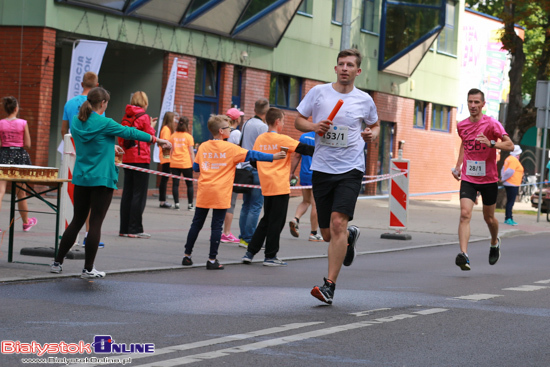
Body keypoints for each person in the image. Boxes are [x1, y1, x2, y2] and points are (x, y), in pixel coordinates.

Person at [50, 87, 171, 278]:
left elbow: (91, 144)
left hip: (81, 177)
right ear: (104, 103)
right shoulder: (105, 122)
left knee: (76, 221)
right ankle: (88, 269)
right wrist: (158, 140)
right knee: (96, 223)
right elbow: (130, 133)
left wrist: (109, 146)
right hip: (102, 178)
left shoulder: (77, 120)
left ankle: (57, 262)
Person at [295, 48, 380, 305]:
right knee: (328, 234)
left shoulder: (364, 99)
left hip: (351, 169)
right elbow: (298, 120)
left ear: (358, 70)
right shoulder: (319, 93)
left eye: (350, 65)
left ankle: (329, 285)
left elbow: (375, 125)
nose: (345, 68)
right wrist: (313, 126)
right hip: (322, 168)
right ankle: (349, 237)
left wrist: (371, 134)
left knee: (337, 223)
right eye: (341, 64)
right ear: (335, 68)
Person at [181, 115, 285, 270]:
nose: (231, 130)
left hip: (205, 191)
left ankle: (187, 256)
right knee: (216, 226)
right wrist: (273, 156)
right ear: (222, 131)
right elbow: (253, 154)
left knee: (196, 223)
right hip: (221, 193)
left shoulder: (203, 146)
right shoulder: (231, 149)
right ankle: (211, 260)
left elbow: (196, 168)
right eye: (228, 128)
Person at [242, 107, 314, 266]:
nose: (283, 124)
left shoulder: (260, 139)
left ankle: (250, 252)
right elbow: (306, 149)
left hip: (266, 185)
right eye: (282, 121)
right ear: (277, 121)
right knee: (277, 221)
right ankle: (270, 256)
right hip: (280, 185)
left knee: (267, 219)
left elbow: (254, 160)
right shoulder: (283, 140)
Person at [452, 88, 514, 271]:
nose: (473, 106)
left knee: (489, 218)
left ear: (483, 104)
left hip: (488, 179)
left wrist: (492, 143)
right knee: (465, 214)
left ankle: (494, 241)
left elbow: (510, 145)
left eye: (476, 102)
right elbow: (465, 142)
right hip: (469, 177)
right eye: (470, 102)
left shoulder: (491, 124)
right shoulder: (461, 125)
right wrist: (458, 166)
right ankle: (464, 255)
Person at [61, 71, 104, 247]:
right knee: (90, 199)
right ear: (97, 86)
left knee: (70, 196)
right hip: (91, 155)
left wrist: (68, 146)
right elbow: (100, 130)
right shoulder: (97, 106)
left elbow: (64, 129)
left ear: (81, 84)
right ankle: (88, 234)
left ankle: (67, 236)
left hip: (71, 149)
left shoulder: (70, 103)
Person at [118, 91, 158, 239]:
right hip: (141, 158)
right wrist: (152, 126)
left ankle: (124, 228)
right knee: (139, 195)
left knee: (127, 193)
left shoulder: (126, 116)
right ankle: (134, 229)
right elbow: (149, 137)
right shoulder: (144, 117)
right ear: (144, 103)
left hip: (127, 157)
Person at [0, 96, 37, 232]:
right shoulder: (23, 123)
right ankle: (26, 222)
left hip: (3, 155)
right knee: (21, 193)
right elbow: (27, 144)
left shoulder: (0, 123)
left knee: (1, 190)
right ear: (16, 109)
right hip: (20, 156)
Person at [238, 98, 269, 248]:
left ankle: (242, 236)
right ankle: (249, 238)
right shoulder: (262, 127)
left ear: (255, 109)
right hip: (257, 169)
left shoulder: (246, 123)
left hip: (245, 167)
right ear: (266, 111)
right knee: (256, 206)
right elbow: (265, 149)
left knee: (246, 204)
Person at [289, 131, 323, 242]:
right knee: (316, 204)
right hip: (317, 173)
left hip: (304, 173)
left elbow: (297, 155)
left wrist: (291, 172)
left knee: (306, 201)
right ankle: (313, 233)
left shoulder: (304, 136)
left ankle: (296, 219)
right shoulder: (324, 137)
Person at [221, 107, 243, 244]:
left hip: (223, 170)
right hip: (233, 171)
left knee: (222, 202)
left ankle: (218, 231)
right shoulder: (236, 134)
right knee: (231, 203)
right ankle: (226, 233)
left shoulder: (223, 132)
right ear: (236, 119)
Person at [169, 116, 195, 211]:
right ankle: (190, 205)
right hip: (186, 163)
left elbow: (170, 151)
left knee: (175, 184)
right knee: (189, 184)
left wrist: (171, 159)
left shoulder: (173, 136)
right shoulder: (188, 137)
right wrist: (194, 164)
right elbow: (191, 152)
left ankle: (176, 204)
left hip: (174, 163)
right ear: (187, 125)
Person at [158, 111, 177, 209]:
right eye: (173, 118)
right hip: (166, 157)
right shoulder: (166, 129)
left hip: (167, 157)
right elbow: (165, 143)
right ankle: (162, 201)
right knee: (164, 179)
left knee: (164, 179)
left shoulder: (167, 129)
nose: (175, 120)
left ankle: (162, 200)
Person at [501, 145, 524, 226]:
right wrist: (504, 178)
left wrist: (503, 178)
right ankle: (508, 218)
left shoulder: (508, 158)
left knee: (510, 202)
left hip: (511, 183)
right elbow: (509, 171)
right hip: (512, 183)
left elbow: (503, 169)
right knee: (510, 202)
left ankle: (509, 217)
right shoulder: (514, 160)